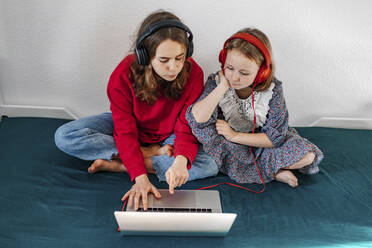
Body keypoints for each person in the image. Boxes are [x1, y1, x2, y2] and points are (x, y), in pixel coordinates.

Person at [54, 10, 218, 210]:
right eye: (164, 60)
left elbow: (187, 126)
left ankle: (121, 165)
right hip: (131, 126)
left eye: (179, 58)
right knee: (64, 136)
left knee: (211, 165)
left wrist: (181, 161)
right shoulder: (122, 75)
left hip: (171, 134)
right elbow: (124, 131)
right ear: (145, 56)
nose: (173, 67)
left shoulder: (194, 73)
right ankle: (147, 154)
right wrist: (140, 178)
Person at [186, 27, 323, 187]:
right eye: (229, 68)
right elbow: (196, 119)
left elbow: (274, 138)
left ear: (262, 72)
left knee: (307, 156)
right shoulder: (216, 82)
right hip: (229, 147)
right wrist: (223, 87)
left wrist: (234, 135)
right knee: (219, 158)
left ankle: (272, 170)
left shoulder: (273, 90)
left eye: (244, 73)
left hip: (260, 142)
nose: (235, 77)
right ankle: (275, 171)